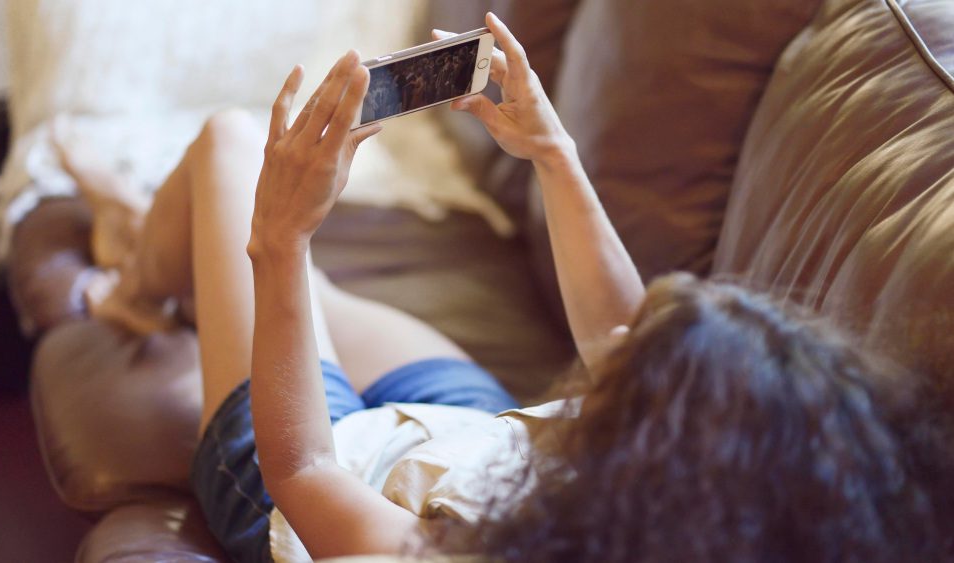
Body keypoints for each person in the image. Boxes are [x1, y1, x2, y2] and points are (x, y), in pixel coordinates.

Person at [56, 13, 950, 563]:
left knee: (230, 148)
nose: (618, 352)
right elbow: (617, 335)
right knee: (294, 285)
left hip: (318, 475)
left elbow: (306, 471)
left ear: (635, 479)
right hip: (475, 437)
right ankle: (176, 251)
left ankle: (131, 280)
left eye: (625, 388)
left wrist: (278, 242)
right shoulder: (710, 506)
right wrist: (552, 154)